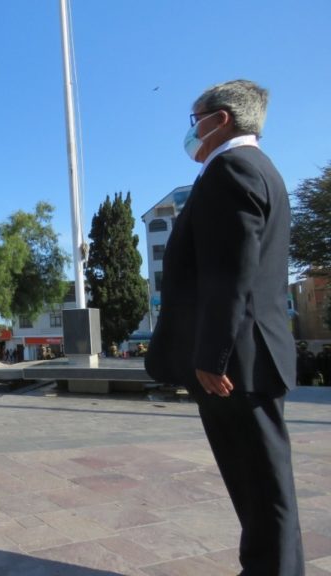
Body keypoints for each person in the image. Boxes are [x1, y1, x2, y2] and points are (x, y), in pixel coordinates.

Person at [145, 80, 304, 575]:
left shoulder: (231, 169)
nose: (190, 132)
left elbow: (230, 273)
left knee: (261, 485)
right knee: (259, 482)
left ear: (221, 119)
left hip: (236, 360)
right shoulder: (260, 168)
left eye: (194, 120)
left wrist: (212, 356)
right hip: (249, 354)